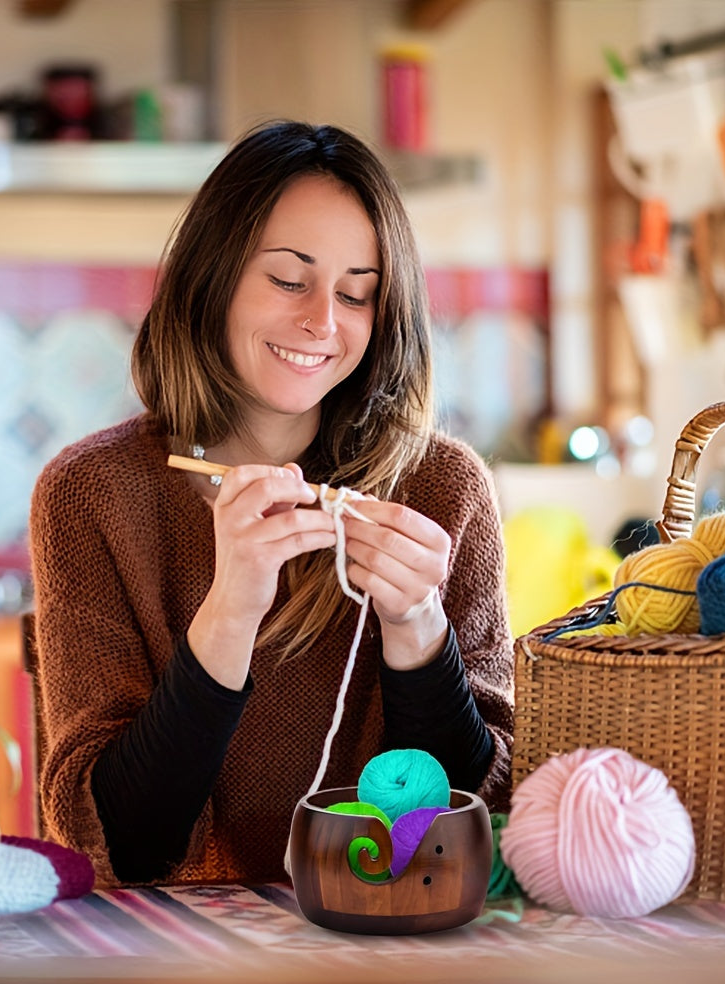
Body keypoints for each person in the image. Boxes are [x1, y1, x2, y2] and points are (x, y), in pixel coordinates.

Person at [28, 119, 514, 888]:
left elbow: (489, 819)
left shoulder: (443, 490)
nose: (323, 320)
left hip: (394, 932)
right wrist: (229, 611)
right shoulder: (90, 493)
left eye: (356, 293)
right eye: (289, 279)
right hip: (171, 948)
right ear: (212, 275)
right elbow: (114, 845)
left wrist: (418, 630)